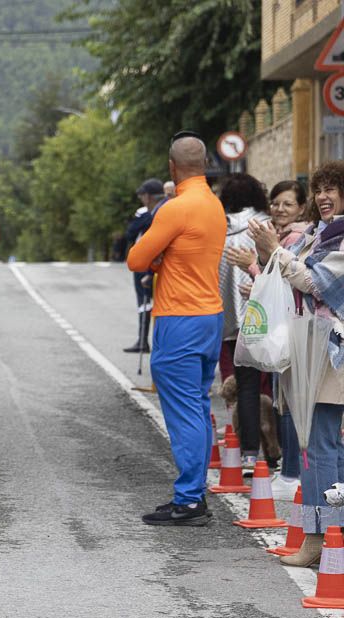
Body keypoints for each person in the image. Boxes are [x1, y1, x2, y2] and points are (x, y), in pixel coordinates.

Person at [127, 133, 226, 525]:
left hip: (179, 318)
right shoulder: (214, 205)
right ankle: (194, 493)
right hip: (210, 316)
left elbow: (137, 259)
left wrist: (159, 260)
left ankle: (188, 500)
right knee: (197, 406)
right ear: (205, 165)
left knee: (184, 412)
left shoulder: (175, 208)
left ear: (172, 167)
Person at [250, 161, 344, 567]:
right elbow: (291, 274)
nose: (323, 196)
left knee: (317, 446)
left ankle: (319, 537)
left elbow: (315, 282)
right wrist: (266, 253)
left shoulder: (339, 239)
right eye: (319, 189)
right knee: (324, 445)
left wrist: (276, 252)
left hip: (330, 352)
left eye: (332, 189)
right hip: (311, 348)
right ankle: (330, 535)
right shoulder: (319, 234)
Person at [227, 180, 312, 499]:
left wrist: (252, 268)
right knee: (279, 399)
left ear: (301, 208)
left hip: (291, 327)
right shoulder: (277, 235)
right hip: (278, 324)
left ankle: (291, 471)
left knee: (288, 402)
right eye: (275, 203)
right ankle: (284, 466)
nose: (279, 209)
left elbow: (290, 282)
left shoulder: (295, 238)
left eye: (288, 204)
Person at [214, 173, 270, 471]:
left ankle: (249, 453)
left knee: (245, 386)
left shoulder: (218, 228)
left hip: (229, 318)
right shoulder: (264, 224)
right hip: (265, 314)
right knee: (275, 385)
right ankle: (279, 452)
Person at [123, 179, 166, 353]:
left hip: (149, 265)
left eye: (142, 195)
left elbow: (132, 232)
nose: (141, 198)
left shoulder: (156, 213)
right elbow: (130, 232)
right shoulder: (149, 212)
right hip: (149, 264)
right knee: (148, 303)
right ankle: (144, 340)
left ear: (148, 197)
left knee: (148, 302)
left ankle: (146, 341)